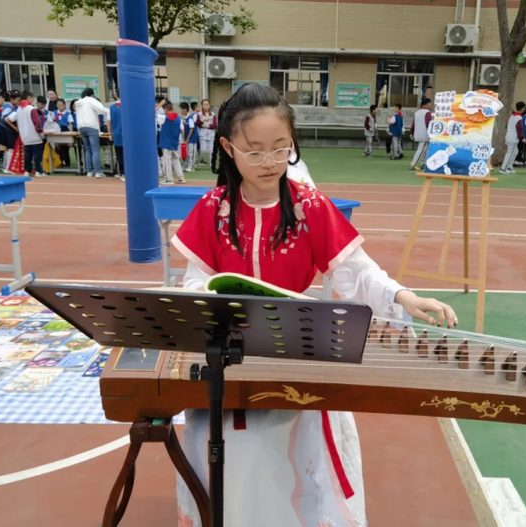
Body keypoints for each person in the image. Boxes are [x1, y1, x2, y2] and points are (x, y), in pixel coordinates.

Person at [170, 81, 458, 527]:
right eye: (255, 151)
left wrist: (402, 296)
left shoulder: (308, 207)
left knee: (295, 447)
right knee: (225, 445)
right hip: (228, 356)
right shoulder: (214, 208)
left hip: (297, 348)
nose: (270, 162)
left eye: (280, 148)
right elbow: (195, 279)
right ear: (227, 148)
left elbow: (357, 272)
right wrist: (201, 296)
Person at [10, 91, 45, 178]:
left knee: (27, 154)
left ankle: (27, 170)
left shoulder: (19, 109)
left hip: (24, 135)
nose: (33, 100)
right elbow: (36, 122)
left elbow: (18, 123)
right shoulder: (31, 108)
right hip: (34, 135)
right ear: (29, 98)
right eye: (32, 98)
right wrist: (40, 132)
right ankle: (38, 170)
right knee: (37, 154)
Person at [75, 87, 108, 178]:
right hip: (91, 126)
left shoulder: (79, 102)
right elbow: (102, 110)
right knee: (95, 150)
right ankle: (98, 171)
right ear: (92, 94)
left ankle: (89, 171)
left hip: (81, 127)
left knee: (87, 149)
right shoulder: (91, 100)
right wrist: (109, 112)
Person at [157, 100, 186, 185]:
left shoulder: (164, 118)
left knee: (167, 161)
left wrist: (160, 104)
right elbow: (182, 131)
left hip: (166, 143)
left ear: (166, 109)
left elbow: (152, 113)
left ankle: (168, 179)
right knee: (176, 160)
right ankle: (181, 177)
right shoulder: (179, 119)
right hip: (175, 142)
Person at [501, 101, 526, 174]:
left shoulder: (512, 116)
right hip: (513, 138)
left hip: (509, 136)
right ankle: (503, 168)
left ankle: (509, 167)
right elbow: (519, 129)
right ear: (522, 109)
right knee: (510, 153)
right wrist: (523, 138)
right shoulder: (519, 118)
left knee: (515, 151)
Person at [106, 91, 124, 181]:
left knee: (119, 154)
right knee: (128, 154)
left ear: (116, 96)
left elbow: (109, 121)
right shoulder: (129, 106)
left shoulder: (111, 108)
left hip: (116, 133)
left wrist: (110, 133)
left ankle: (122, 173)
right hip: (128, 134)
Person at [410, 98, 432, 169]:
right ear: (427, 103)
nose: (431, 105)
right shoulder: (427, 112)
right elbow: (428, 123)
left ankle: (424, 163)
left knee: (425, 149)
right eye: (430, 103)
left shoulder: (417, 112)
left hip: (418, 133)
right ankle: (413, 164)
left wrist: (412, 132)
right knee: (422, 149)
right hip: (425, 133)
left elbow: (413, 123)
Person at [198, 99, 216, 166]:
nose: (206, 106)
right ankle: (198, 161)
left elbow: (214, 125)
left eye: (207, 104)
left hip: (211, 135)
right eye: (204, 105)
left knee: (211, 151)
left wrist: (206, 125)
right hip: (202, 135)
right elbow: (198, 123)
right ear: (202, 106)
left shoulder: (213, 114)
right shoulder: (199, 114)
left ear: (209, 105)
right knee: (203, 150)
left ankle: (212, 165)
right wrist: (203, 119)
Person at [181, 102, 198, 172]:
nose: (180, 111)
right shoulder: (185, 118)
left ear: (185, 110)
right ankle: (187, 165)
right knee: (187, 153)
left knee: (191, 153)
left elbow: (192, 129)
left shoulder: (190, 119)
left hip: (192, 139)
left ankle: (191, 166)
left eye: (181, 109)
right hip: (187, 138)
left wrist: (188, 138)